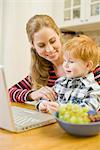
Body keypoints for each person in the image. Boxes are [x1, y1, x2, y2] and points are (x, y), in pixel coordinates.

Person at [9, 15, 100, 103]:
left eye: (52, 41)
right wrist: (33, 95)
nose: (49, 49)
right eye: (41, 45)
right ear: (33, 46)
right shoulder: (41, 70)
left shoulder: (86, 64)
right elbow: (9, 92)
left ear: (59, 35)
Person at [37, 35, 100, 113]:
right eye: (65, 60)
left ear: (88, 65)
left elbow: (88, 110)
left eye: (71, 61)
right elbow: (48, 97)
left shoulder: (93, 89)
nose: (65, 65)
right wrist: (43, 104)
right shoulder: (61, 82)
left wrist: (62, 109)